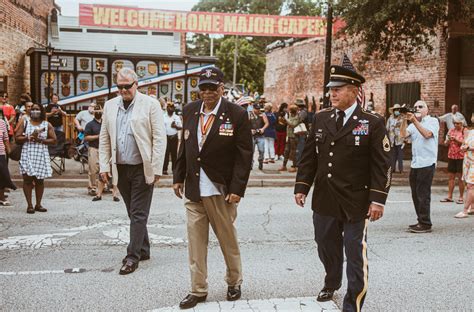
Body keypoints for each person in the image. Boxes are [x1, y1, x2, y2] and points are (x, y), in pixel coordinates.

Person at [294, 63, 391, 311]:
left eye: (338, 89)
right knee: (325, 244)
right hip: (325, 198)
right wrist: (302, 186)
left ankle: (352, 304)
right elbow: (309, 157)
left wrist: (378, 200)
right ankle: (332, 279)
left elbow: (382, 165)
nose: (332, 94)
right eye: (331, 90)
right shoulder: (322, 118)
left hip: (355, 200)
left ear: (354, 91)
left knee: (355, 255)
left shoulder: (372, 122)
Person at [173, 66, 253, 310]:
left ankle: (233, 281)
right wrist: (178, 176)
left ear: (221, 88)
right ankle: (198, 289)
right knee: (196, 243)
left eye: (212, 88)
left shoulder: (236, 114)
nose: (207, 93)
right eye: (203, 88)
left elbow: (244, 155)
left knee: (227, 240)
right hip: (195, 188)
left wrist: (238, 188)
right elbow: (184, 146)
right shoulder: (190, 110)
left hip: (221, 189)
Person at [99, 68, 166, 275]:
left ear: (137, 84)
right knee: (132, 211)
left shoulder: (150, 104)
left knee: (138, 213)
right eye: (119, 86)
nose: (123, 90)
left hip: (141, 167)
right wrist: (104, 166)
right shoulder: (110, 105)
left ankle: (132, 257)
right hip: (120, 167)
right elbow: (104, 138)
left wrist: (156, 168)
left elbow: (159, 138)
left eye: (127, 86)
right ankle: (143, 249)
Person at [400, 100, 440, 233]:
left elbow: (427, 134)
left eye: (420, 106)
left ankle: (425, 223)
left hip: (427, 163)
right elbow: (403, 135)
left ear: (427, 110)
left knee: (423, 194)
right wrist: (404, 120)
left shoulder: (432, 121)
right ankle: (420, 220)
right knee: (415, 194)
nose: (417, 108)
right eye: (415, 107)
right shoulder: (413, 124)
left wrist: (414, 120)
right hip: (415, 163)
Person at [15, 103, 57, 214]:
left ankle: (38, 204)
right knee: (27, 179)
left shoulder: (46, 124)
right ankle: (29, 205)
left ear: (41, 111)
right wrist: (29, 137)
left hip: (40, 154)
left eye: (37, 109)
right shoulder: (25, 122)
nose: (34, 111)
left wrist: (41, 140)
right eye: (32, 109)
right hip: (27, 153)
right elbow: (17, 138)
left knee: (39, 181)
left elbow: (54, 140)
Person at [440, 116, 465, 204]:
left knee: (460, 178)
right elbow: (445, 143)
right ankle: (449, 196)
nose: (456, 125)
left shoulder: (464, 131)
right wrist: (447, 141)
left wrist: (456, 140)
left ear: (462, 123)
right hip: (451, 156)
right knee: (451, 177)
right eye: (454, 123)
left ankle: (461, 197)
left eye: (458, 123)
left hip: (461, 157)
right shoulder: (451, 131)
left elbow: (466, 143)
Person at [455, 114, 474, 218]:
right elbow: (464, 143)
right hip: (467, 161)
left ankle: (465, 210)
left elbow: (469, 146)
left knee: (471, 186)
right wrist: (463, 147)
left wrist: (469, 148)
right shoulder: (469, 131)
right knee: (468, 184)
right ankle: (473, 206)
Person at [162, 101, 182, 175]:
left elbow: (180, 127)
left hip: (174, 137)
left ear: (174, 108)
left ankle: (174, 169)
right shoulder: (163, 117)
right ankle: (164, 169)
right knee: (165, 154)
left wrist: (175, 126)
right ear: (167, 108)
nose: (171, 108)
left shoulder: (176, 117)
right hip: (166, 137)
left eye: (172, 107)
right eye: (169, 107)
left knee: (174, 154)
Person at [278, 104, 299, 172]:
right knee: (286, 151)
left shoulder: (297, 117)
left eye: (290, 110)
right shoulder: (290, 115)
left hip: (294, 136)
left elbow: (293, 124)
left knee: (293, 151)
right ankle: (284, 166)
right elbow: (286, 124)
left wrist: (286, 119)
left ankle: (294, 166)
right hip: (289, 136)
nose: (289, 111)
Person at [0, 117, 16, 206]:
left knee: (2, 175)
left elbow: (6, 138)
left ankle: (1, 197)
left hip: (1, 153)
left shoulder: (2, 122)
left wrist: (9, 151)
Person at [386, 104, 406, 173]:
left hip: (400, 139)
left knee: (400, 156)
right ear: (393, 111)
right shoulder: (390, 118)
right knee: (393, 156)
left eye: (398, 110)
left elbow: (404, 128)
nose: (396, 111)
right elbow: (387, 128)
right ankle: (392, 169)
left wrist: (404, 139)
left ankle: (401, 169)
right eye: (395, 110)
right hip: (392, 140)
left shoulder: (402, 118)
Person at [249, 103, 268, 170]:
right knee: (251, 151)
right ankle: (250, 164)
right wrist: (250, 130)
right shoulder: (249, 114)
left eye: (258, 109)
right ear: (253, 108)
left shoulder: (262, 114)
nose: (258, 110)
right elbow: (246, 124)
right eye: (256, 109)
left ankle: (260, 161)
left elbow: (267, 123)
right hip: (252, 135)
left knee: (261, 150)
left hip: (260, 135)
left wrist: (263, 129)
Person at [295, 99, 309, 163]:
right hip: (300, 131)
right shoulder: (301, 111)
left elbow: (299, 120)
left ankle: (299, 162)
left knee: (300, 147)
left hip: (302, 132)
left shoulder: (303, 112)